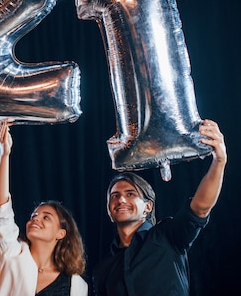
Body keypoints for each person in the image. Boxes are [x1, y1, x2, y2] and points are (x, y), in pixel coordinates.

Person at [93, 119, 228, 296]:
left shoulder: (167, 236)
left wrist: (219, 161)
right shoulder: (104, 268)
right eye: (115, 196)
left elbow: (200, 208)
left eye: (130, 194)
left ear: (148, 206)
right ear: (109, 209)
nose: (121, 200)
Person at [0, 121, 88, 296]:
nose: (36, 219)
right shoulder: (12, 254)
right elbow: (1, 208)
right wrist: (5, 154)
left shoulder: (76, 285)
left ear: (61, 233)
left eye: (46, 217)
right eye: (34, 215)